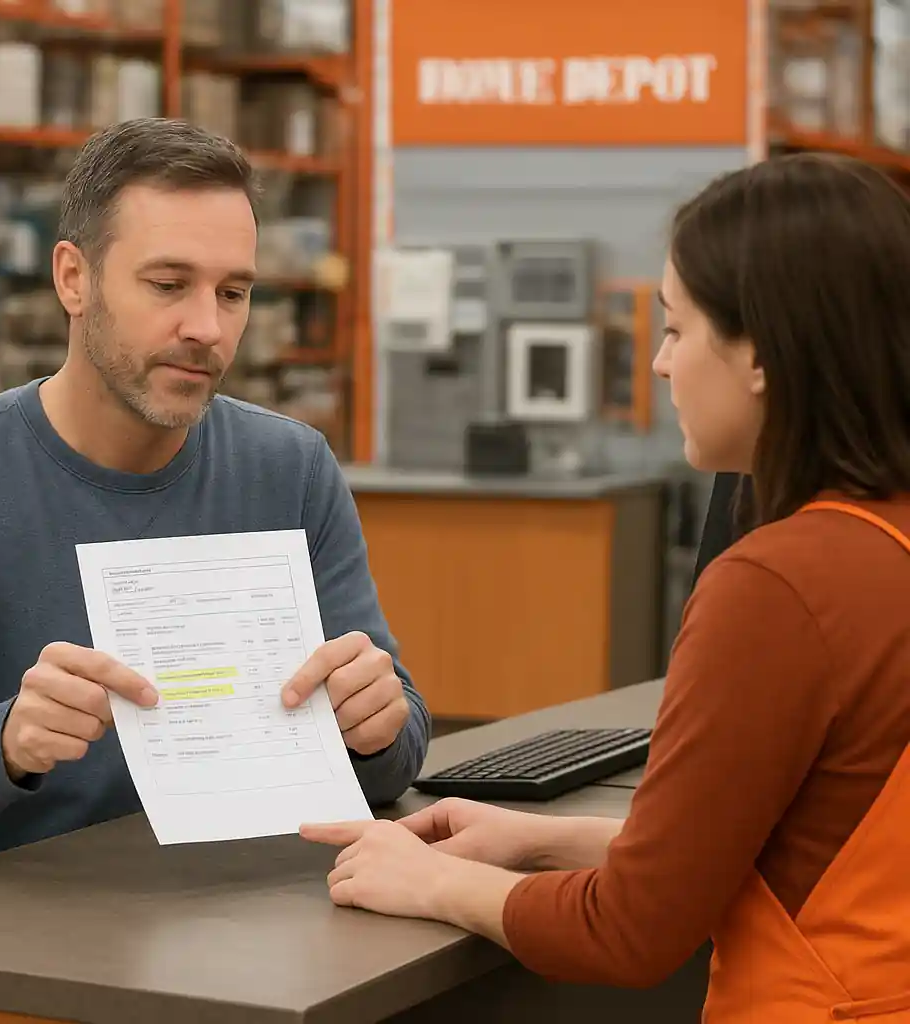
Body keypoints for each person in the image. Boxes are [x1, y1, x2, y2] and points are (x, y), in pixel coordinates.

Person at [301, 152, 910, 1021]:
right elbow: (807, 842)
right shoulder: (886, 545)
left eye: (676, 328)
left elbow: (629, 931)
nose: (661, 366)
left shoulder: (778, 586)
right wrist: (547, 840)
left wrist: (435, 882)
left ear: (764, 354)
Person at [0, 117, 430, 882]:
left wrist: (376, 727)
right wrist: (6, 740)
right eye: (169, 285)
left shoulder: (291, 470)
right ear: (73, 278)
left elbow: (390, 762)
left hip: (232, 910)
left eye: (233, 292)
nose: (206, 328)